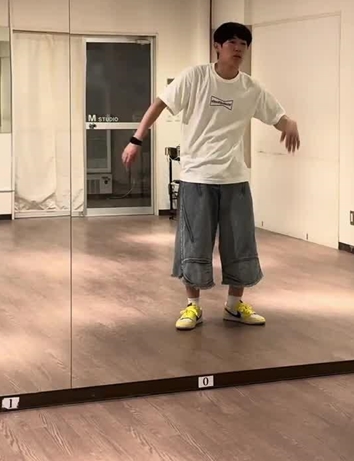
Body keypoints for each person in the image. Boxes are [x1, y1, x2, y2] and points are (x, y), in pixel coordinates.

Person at [122, 22, 301, 331]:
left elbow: (277, 116)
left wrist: (290, 122)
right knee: (194, 244)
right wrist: (136, 139)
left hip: (235, 178)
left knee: (240, 244)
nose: (238, 48)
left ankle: (234, 305)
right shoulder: (195, 77)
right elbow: (159, 104)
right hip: (197, 177)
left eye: (243, 43)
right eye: (232, 42)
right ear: (217, 46)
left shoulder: (250, 88)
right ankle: (192, 306)